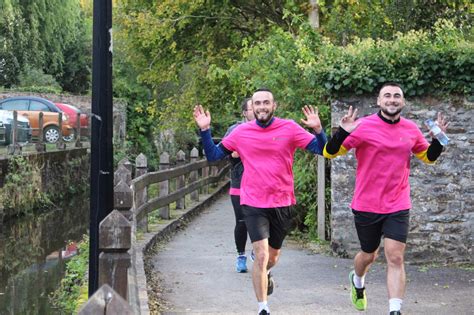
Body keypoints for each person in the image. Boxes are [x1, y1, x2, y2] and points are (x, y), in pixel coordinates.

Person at [193, 88, 327, 315]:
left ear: (274, 106)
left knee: (271, 258)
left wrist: (318, 130)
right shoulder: (240, 132)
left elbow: (322, 149)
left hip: (282, 201)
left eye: (266, 102)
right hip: (253, 201)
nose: (262, 107)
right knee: (262, 254)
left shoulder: (289, 128)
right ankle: (263, 308)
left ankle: (265, 272)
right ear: (251, 108)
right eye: (257, 103)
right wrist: (205, 130)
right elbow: (214, 156)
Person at [323, 82, 448, 315]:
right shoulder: (362, 126)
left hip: (398, 203)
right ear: (379, 102)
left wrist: (439, 140)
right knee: (369, 254)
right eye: (387, 96)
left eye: (397, 96)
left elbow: (428, 157)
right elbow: (330, 152)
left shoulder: (410, 129)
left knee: (396, 256)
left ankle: (394, 310)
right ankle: (357, 280)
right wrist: (342, 132)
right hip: (366, 204)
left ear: (403, 102)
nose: (392, 100)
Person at [225, 97, 255, 273]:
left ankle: (256, 250)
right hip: (239, 181)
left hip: (260, 183)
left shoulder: (266, 129)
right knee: (242, 221)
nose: (256, 110)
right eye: (251, 108)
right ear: (244, 112)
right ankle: (241, 255)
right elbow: (229, 153)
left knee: (260, 219)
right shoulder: (235, 130)